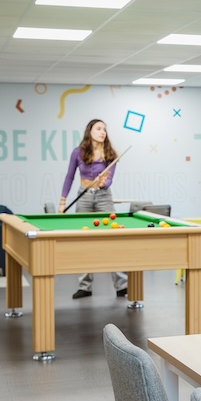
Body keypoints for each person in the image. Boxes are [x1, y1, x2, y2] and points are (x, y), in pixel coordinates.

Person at [60, 119, 127, 299]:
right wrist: (62, 200)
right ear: (90, 131)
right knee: (82, 239)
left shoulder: (110, 153)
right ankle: (85, 286)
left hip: (104, 196)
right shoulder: (78, 152)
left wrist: (105, 182)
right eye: (98, 129)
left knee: (114, 238)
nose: (102, 132)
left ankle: (122, 285)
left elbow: (110, 179)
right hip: (83, 196)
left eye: (104, 129)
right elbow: (69, 177)